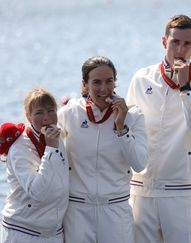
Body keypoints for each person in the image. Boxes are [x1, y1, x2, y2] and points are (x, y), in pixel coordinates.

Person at [126, 15, 191, 243]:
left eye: (187, 44)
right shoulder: (141, 78)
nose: (180, 49)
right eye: (175, 42)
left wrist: (186, 89)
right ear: (164, 42)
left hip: (182, 190)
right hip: (141, 188)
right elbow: (129, 132)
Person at [59, 55, 148, 242]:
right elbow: (41, 132)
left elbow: (140, 164)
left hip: (116, 210)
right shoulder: (70, 112)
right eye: (96, 82)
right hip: (78, 211)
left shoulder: (133, 115)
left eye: (109, 81)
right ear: (85, 85)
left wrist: (121, 127)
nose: (103, 89)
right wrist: (11, 140)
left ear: (116, 83)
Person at [0, 88, 68, 243]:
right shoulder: (19, 148)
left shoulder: (56, 137)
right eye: (39, 113)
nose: (46, 118)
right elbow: (38, 193)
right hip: (23, 231)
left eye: (51, 110)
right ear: (28, 116)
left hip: (53, 232)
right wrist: (50, 149)